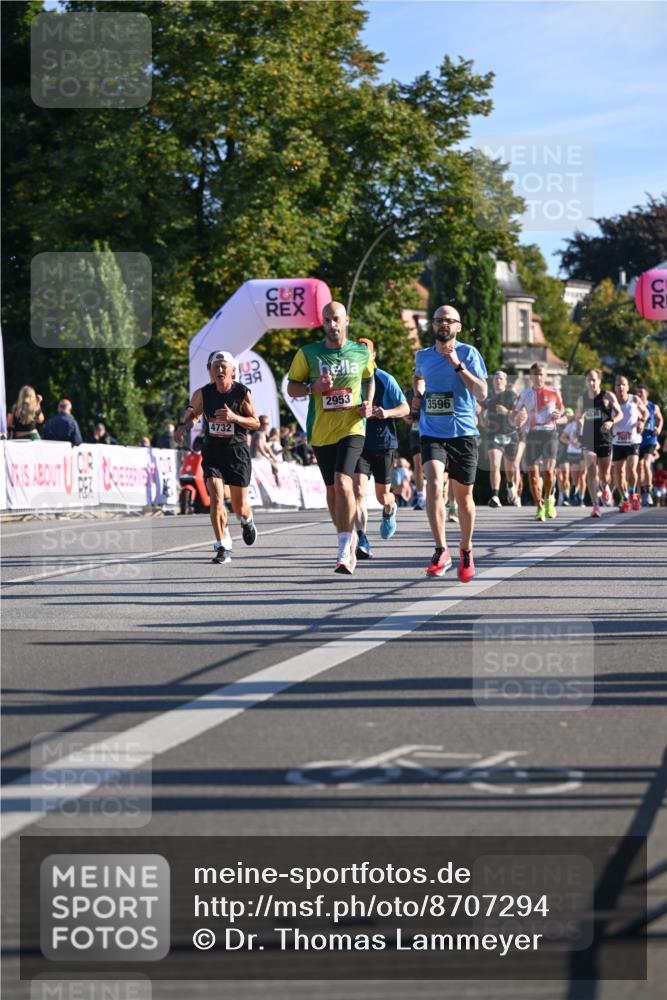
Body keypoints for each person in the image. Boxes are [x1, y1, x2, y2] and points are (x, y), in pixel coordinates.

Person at [287, 300, 374, 575]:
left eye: (336, 319)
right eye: (327, 320)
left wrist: (368, 403)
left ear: (346, 320)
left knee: (343, 481)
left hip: (352, 427)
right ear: (322, 323)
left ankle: (345, 549)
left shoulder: (361, 352)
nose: (332, 325)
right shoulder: (308, 353)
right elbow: (292, 388)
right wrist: (313, 386)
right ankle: (346, 537)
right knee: (331, 491)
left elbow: (370, 377)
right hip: (321, 431)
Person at [413, 304, 488, 582]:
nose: (443, 324)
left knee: (463, 498)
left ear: (458, 326)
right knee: (432, 483)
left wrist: (458, 365)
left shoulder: (469, 353)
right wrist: (418, 395)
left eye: (449, 320)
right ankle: (441, 549)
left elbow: (482, 392)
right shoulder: (423, 355)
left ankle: (466, 549)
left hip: (464, 434)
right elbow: (419, 375)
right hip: (432, 431)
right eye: (439, 320)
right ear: (433, 326)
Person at [176, 350, 260, 564]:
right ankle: (222, 544)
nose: (220, 369)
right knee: (216, 497)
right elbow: (193, 414)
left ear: (233, 371)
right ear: (211, 371)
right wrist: (184, 427)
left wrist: (234, 417)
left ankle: (246, 519)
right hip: (213, 450)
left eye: (224, 366)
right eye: (216, 367)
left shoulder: (241, 393)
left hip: (237, 452)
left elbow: (255, 422)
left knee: (240, 506)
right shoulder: (203, 393)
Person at [352, 338, 409, 560]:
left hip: (383, 442)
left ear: (373, 356)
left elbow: (404, 407)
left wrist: (385, 413)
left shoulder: (385, 379)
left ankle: (389, 509)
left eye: (366, 352)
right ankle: (362, 538)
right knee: (358, 492)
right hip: (358, 441)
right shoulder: (351, 379)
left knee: (382, 496)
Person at [511, 363, 563, 522]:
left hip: (549, 433)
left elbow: (561, 409)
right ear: (531, 377)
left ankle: (548, 500)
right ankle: (539, 506)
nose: (538, 377)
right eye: (535, 374)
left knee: (548, 472)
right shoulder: (525, 393)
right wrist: (519, 417)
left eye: (541, 374)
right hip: (532, 434)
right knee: (533, 476)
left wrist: (558, 414)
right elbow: (515, 411)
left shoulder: (554, 392)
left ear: (546, 376)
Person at [575, 369, 621, 518]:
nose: (592, 382)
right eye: (589, 380)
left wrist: (610, 421)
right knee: (591, 472)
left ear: (599, 381)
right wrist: (578, 430)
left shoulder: (607, 396)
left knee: (605, 474)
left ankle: (604, 485)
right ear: (586, 382)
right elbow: (578, 417)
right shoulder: (582, 399)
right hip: (588, 439)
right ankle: (595, 506)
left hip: (605, 439)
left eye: (594, 379)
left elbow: (620, 413)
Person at [479, 370, 519, 507]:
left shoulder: (511, 395)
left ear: (506, 382)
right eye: (496, 378)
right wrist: (482, 421)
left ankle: (510, 484)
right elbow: (482, 409)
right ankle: (495, 496)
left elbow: (520, 414)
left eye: (501, 379)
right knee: (494, 465)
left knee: (510, 469)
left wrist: (507, 412)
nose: (498, 381)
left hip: (510, 435)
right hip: (493, 435)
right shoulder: (489, 396)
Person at [611, 375, 648, 512]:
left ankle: (633, 493)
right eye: (617, 385)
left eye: (623, 385)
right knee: (619, 473)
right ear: (614, 388)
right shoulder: (611, 402)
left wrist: (641, 422)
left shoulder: (634, 399)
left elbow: (646, 413)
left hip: (633, 441)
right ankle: (625, 498)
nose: (620, 387)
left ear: (628, 387)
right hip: (617, 442)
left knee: (631, 469)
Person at [636, 385, 663, 506]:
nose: (639, 394)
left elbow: (660, 419)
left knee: (646, 463)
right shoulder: (634, 406)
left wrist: (659, 428)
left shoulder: (653, 406)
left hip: (651, 439)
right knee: (638, 468)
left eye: (641, 392)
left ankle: (649, 490)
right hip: (638, 440)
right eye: (637, 393)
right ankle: (642, 492)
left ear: (646, 393)